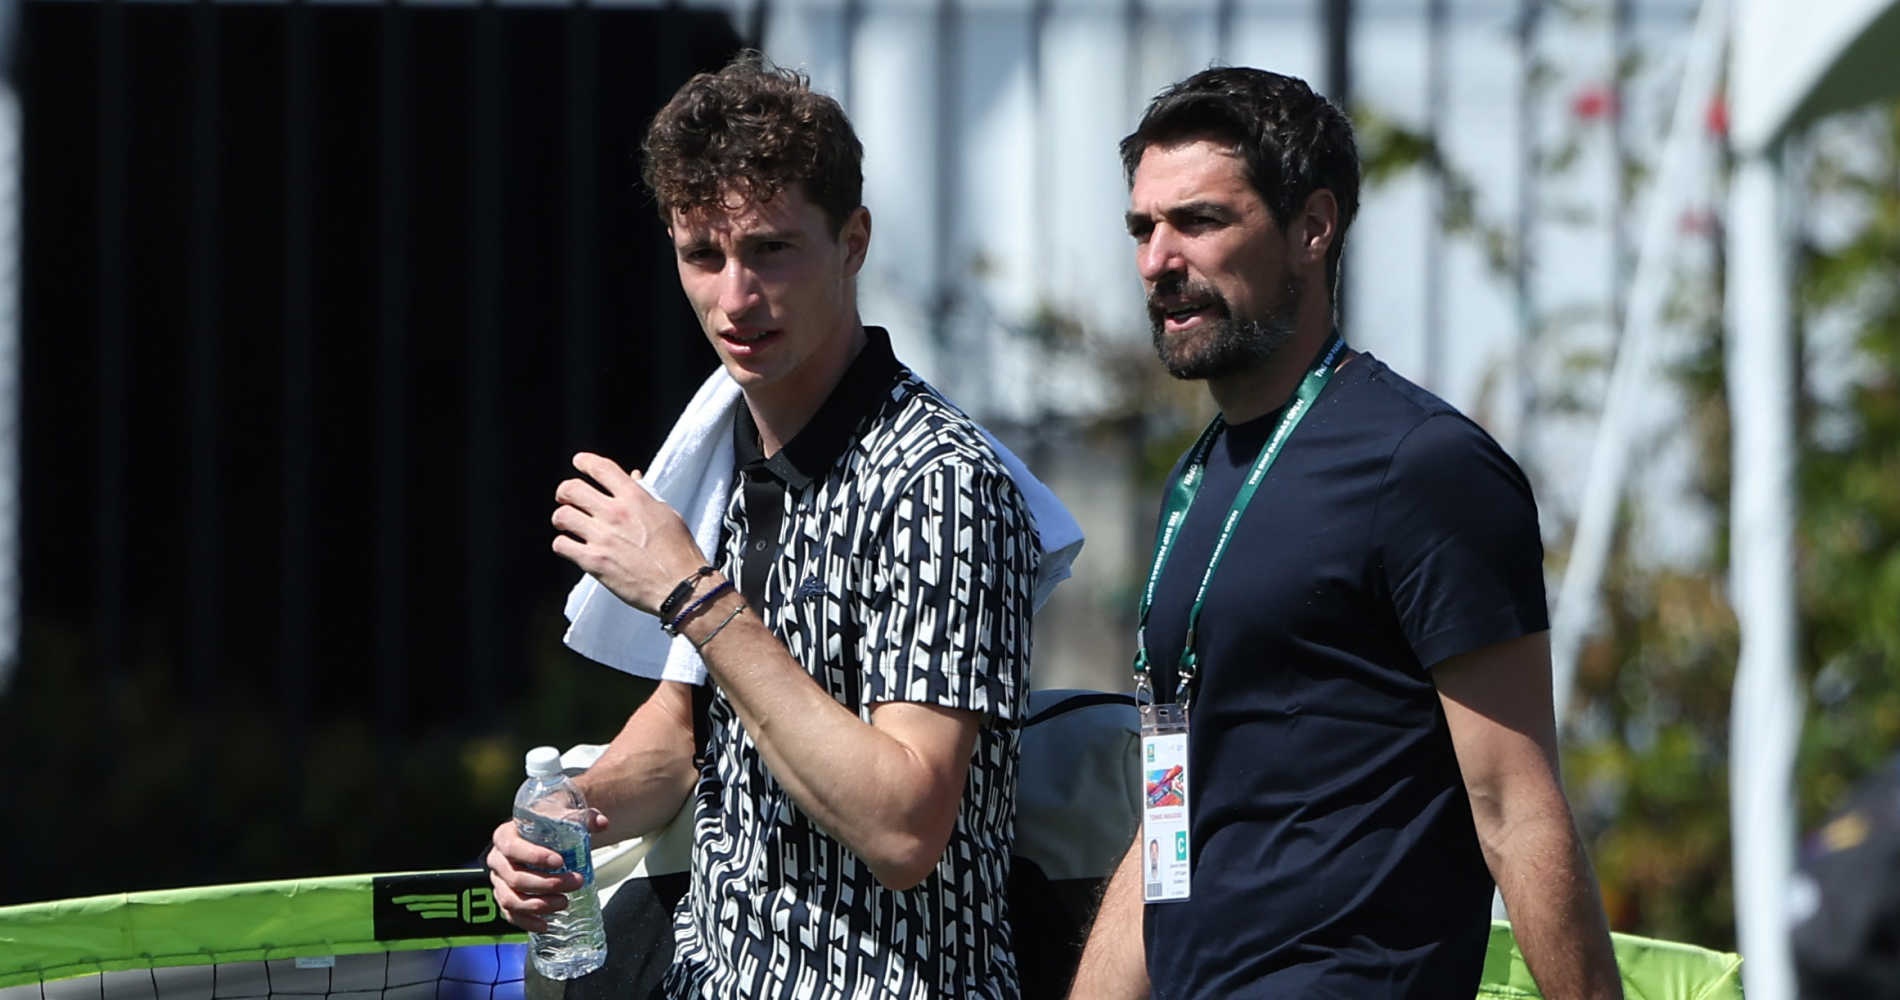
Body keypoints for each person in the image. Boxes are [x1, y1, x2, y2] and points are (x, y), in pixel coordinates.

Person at [485, 55, 1043, 999]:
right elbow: (696, 723)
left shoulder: (944, 482)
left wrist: (691, 593)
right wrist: (573, 815)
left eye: (772, 250)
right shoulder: (730, 441)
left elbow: (905, 827)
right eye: (703, 255)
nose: (733, 299)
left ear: (853, 240)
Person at [1068, 67, 1624, 999]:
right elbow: (1172, 812)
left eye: (1199, 221)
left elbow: (1516, 808)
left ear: (1312, 228)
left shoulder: (1423, 465)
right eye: (1142, 228)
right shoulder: (1194, 480)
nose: (1158, 261)